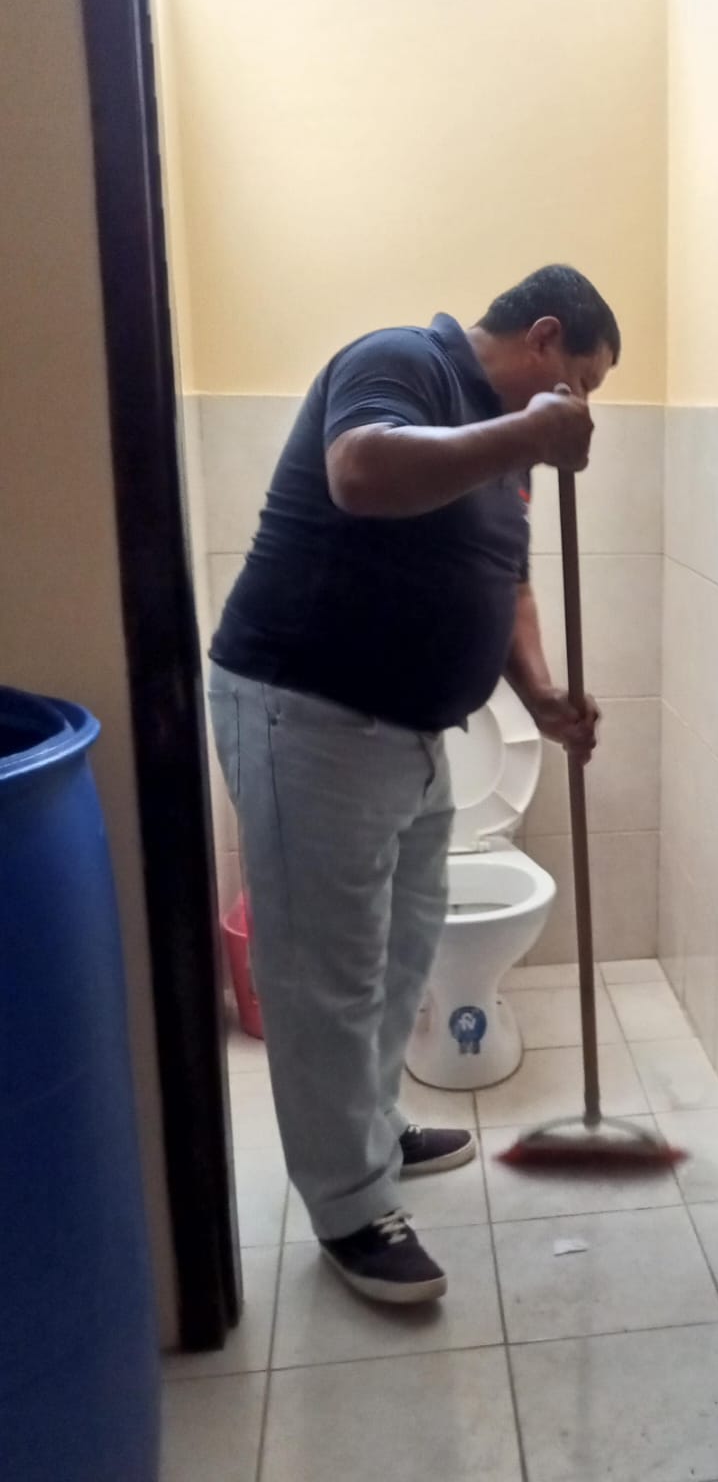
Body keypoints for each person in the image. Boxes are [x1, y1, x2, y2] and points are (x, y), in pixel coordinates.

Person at [207, 265, 617, 1304]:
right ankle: (349, 1208)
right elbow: (359, 471)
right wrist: (531, 432)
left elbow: (509, 582)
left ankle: (375, 1126)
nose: (582, 410)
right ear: (544, 337)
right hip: (309, 712)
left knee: (401, 951)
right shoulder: (401, 362)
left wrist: (540, 695)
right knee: (326, 975)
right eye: (582, 381)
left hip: (416, 732)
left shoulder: (508, 445)